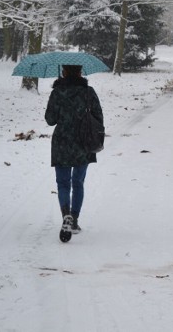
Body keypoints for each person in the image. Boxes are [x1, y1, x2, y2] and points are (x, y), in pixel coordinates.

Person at [45, 64, 104, 235]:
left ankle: (65, 215)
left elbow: (50, 120)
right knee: (78, 182)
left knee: (63, 183)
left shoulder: (57, 93)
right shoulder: (88, 92)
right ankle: (75, 219)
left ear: (63, 72)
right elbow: (98, 117)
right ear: (80, 72)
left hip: (61, 142)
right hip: (83, 141)